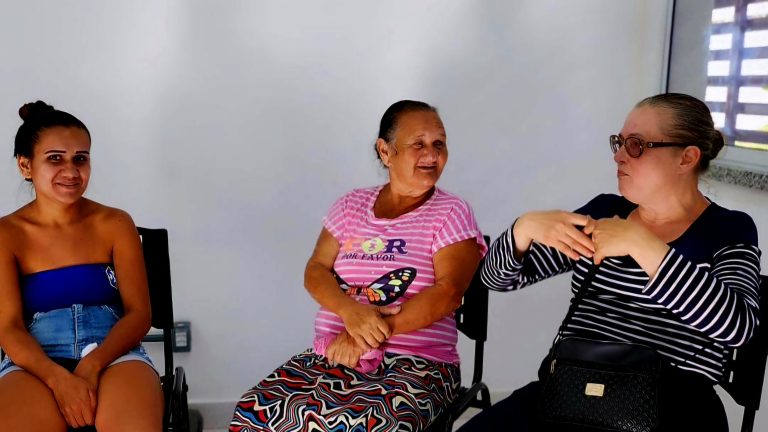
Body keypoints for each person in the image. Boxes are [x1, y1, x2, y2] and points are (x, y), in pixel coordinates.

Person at [458, 93, 762, 431]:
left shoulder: (727, 230)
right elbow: (496, 279)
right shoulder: (604, 212)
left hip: (672, 407)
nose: (618, 156)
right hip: (573, 391)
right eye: (619, 142)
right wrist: (522, 230)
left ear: (686, 157)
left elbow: (738, 328)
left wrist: (641, 244)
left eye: (636, 145)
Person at [230, 100, 487, 431]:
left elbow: (449, 292)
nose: (432, 154)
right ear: (385, 151)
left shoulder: (452, 212)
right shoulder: (350, 206)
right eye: (419, 144)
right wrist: (350, 312)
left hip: (417, 365)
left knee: (364, 424)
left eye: (439, 143)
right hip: (331, 355)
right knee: (253, 411)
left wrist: (364, 336)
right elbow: (316, 270)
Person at [0, 101, 163, 431]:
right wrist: (57, 378)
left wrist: (92, 365)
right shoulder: (6, 234)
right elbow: (9, 327)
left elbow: (139, 314)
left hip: (114, 353)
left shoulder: (116, 223)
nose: (71, 171)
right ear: (25, 165)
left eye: (80, 158)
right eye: (55, 158)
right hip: (34, 360)